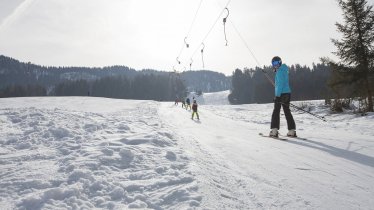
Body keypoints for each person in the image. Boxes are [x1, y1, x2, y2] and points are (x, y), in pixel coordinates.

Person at [269, 56, 296, 137]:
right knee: (287, 111)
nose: (275, 65)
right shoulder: (284, 70)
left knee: (276, 111)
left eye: (277, 63)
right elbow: (281, 83)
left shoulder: (280, 72)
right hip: (287, 93)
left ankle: (274, 131)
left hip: (281, 94)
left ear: (280, 62)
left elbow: (280, 84)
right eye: (274, 63)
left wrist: (277, 96)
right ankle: (291, 131)